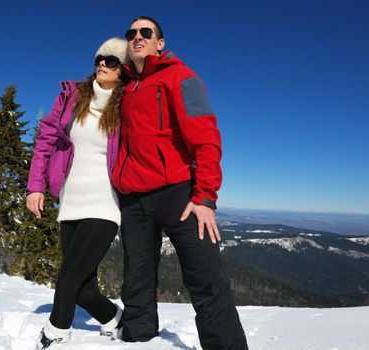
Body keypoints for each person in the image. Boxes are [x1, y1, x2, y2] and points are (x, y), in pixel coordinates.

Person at [111, 16, 249, 350]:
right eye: (131, 33)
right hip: (133, 200)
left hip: (179, 194)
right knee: (136, 280)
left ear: (160, 42)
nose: (138, 37)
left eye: (147, 32)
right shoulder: (125, 88)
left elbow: (206, 138)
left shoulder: (181, 77)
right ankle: (138, 339)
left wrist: (204, 197)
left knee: (205, 277)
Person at [26, 37, 128, 349]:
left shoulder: (128, 106)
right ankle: (115, 318)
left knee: (68, 278)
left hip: (105, 205)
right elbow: (45, 141)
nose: (102, 64)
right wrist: (35, 186)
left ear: (122, 70)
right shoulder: (72, 98)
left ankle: (57, 332)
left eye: (111, 61)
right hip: (70, 202)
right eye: (100, 57)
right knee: (84, 288)